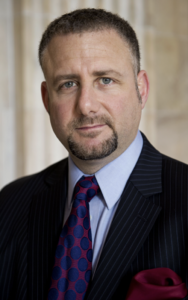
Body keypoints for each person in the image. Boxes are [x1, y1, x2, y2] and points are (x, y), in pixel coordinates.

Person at [0, 8, 188, 300]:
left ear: (142, 89)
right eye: (68, 84)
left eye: (105, 80)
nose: (86, 105)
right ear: (47, 99)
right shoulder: (9, 203)